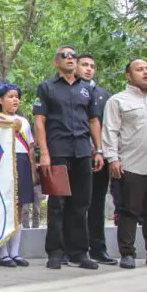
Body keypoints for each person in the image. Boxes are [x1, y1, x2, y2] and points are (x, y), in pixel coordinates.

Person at [34, 46, 104, 270]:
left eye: (73, 56)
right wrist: (43, 152)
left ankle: (80, 253)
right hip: (58, 151)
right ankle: (55, 252)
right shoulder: (47, 87)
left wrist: (99, 150)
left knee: (81, 203)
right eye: (65, 56)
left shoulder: (86, 89)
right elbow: (40, 121)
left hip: (83, 151)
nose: (70, 59)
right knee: (57, 204)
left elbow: (94, 120)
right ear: (56, 62)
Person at [102, 59, 147, 269]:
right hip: (131, 165)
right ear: (129, 76)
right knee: (129, 211)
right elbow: (110, 130)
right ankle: (127, 254)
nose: (145, 73)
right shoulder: (118, 101)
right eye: (139, 70)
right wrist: (112, 158)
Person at [75, 54, 117, 265]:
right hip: (75, 154)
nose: (88, 69)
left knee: (97, 204)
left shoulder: (105, 95)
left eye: (92, 66)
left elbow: (110, 126)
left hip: (100, 156)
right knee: (74, 204)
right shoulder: (67, 90)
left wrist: (103, 151)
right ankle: (72, 249)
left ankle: (98, 248)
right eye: (84, 65)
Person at [0, 84, 35, 268]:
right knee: (3, 205)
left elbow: (30, 147)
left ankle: (14, 252)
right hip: (3, 163)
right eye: (10, 96)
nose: (15, 100)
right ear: (0, 100)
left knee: (19, 207)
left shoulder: (23, 121)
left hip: (22, 162)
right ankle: (2, 253)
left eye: (17, 96)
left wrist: (33, 170)